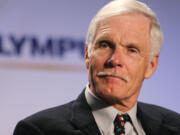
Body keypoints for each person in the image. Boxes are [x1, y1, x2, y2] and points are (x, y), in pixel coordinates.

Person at [13, 0, 180, 135]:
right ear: (87, 54)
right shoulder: (38, 130)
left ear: (151, 66)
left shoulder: (175, 126)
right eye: (105, 45)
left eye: (131, 50)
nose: (115, 60)